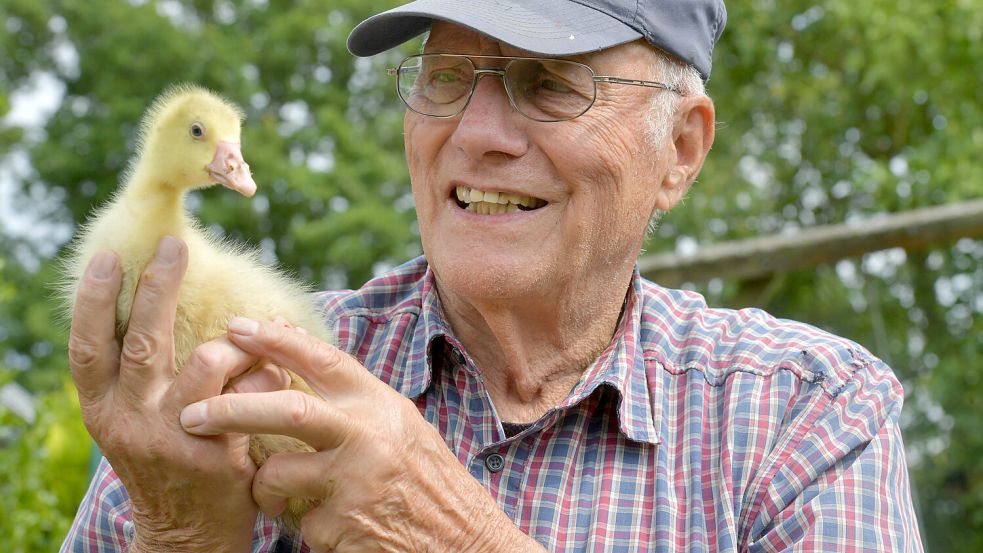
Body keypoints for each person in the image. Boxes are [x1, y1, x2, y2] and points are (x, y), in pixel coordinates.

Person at [62, 0, 924, 551]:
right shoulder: (224, 361)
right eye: (444, 79)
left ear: (682, 149)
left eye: (546, 84)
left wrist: (459, 540)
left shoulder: (804, 412)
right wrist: (186, 537)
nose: (475, 134)